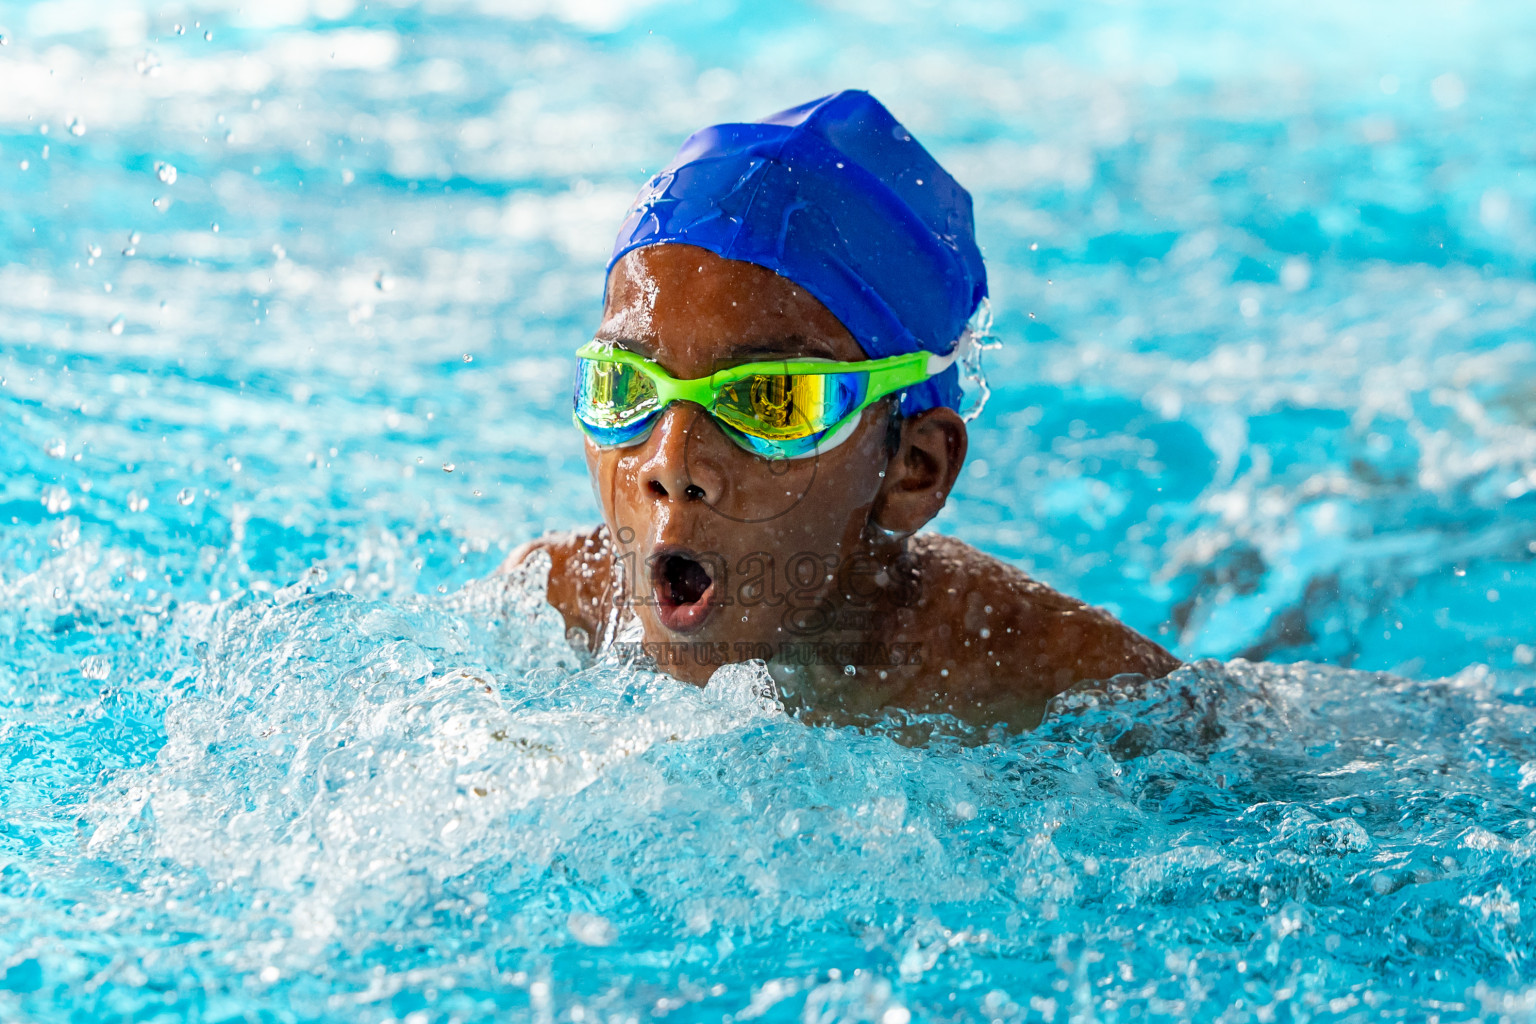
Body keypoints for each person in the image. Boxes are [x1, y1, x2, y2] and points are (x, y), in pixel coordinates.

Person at [503, 90, 1178, 727]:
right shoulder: (551, 609)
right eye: (625, 387)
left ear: (915, 468)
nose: (670, 463)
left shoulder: (1072, 690)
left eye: (770, 399)